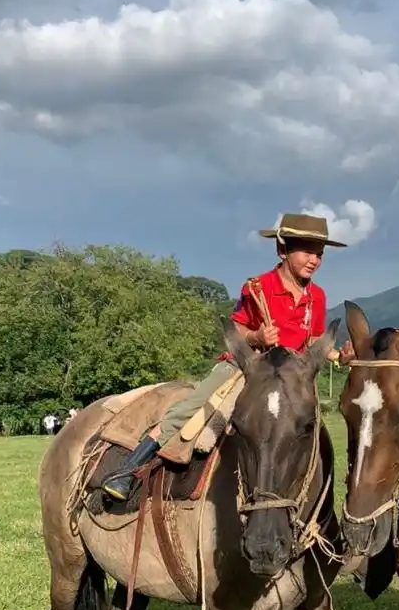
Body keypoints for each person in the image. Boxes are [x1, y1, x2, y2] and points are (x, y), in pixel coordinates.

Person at [101, 212, 352, 502]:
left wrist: (338, 356)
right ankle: (129, 469)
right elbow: (237, 330)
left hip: (289, 377)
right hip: (246, 366)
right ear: (283, 250)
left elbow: (312, 340)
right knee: (193, 408)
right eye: (307, 251)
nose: (314, 260)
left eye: (319, 254)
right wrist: (256, 338)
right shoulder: (258, 287)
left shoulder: (317, 297)